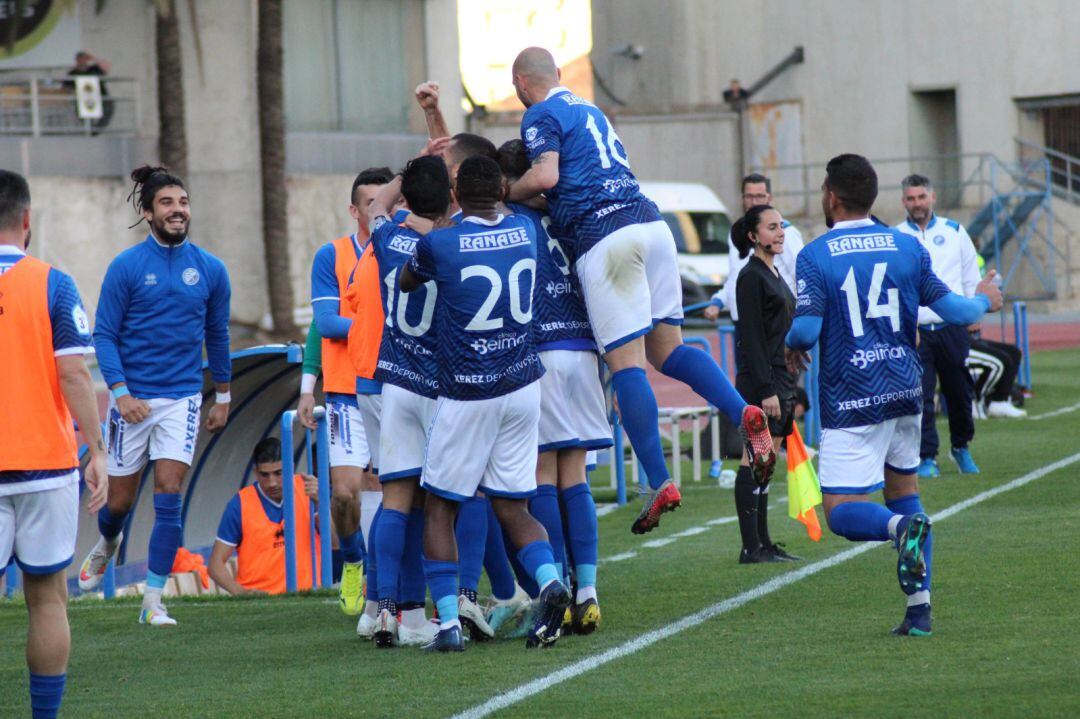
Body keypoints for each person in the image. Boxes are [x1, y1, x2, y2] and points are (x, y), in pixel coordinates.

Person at [507, 46, 773, 535]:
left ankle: (657, 481)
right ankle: (743, 412)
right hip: (652, 225)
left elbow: (545, 175)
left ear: (522, 83)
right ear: (559, 73)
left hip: (606, 236)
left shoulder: (540, 113)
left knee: (626, 365)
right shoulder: (592, 110)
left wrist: (506, 191)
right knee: (668, 350)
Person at [785, 154, 1002, 636]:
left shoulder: (816, 254)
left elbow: (805, 332)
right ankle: (919, 612)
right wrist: (986, 298)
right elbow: (957, 310)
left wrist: (790, 342)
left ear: (831, 197)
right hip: (906, 388)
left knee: (840, 511)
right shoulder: (906, 246)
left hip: (852, 395)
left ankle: (900, 531)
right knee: (904, 493)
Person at [400, 155, 571, 652]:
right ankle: (550, 583)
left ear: (456, 194)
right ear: (501, 189)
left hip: (468, 389)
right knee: (512, 505)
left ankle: (449, 625)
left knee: (440, 506)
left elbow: (409, 280)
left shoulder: (440, 242)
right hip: (521, 384)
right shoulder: (525, 230)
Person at [78, 165, 231, 627]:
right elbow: (104, 336)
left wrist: (224, 395)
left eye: (183, 202)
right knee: (119, 504)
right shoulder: (126, 267)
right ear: (147, 213)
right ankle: (109, 541)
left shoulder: (211, 269)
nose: (177, 210)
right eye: (167, 203)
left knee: (169, 489)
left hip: (182, 398)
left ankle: (153, 602)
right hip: (131, 401)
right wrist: (122, 395)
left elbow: (217, 334)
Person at [0, 170, 108, 719]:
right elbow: (73, 374)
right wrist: (99, 451)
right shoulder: (54, 284)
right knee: (46, 598)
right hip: (44, 465)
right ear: (27, 219)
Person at [499, 138, 608, 634]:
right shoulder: (568, 216)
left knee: (543, 475)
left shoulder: (509, 221)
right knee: (576, 477)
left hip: (540, 349)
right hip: (582, 347)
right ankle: (588, 592)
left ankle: (558, 591)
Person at [361, 152, 451, 648]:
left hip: (395, 384)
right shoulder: (451, 243)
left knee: (395, 501)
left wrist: (405, 173)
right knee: (440, 502)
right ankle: (447, 607)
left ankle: (387, 611)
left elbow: (377, 204)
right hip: (439, 387)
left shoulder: (388, 237)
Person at [306, 166, 392, 619]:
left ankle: (383, 584)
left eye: (385, 201)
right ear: (354, 210)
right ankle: (354, 561)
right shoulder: (332, 255)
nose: (378, 210)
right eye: (369, 203)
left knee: (386, 488)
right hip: (344, 390)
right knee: (343, 494)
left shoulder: (402, 248)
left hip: (393, 387)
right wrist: (380, 327)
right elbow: (324, 323)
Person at [894, 174, 982, 477]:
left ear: (932, 197)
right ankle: (926, 456)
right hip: (915, 332)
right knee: (921, 396)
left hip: (952, 326)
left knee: (959, 392)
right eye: (910, 198)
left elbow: (970, 274)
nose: (917, 203)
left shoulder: (954, 231)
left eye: (921, 197)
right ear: (903, 201)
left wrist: (972, 313)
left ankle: (961, 447)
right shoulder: (896, 236)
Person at [731, 206, 801, 564]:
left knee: (767, 461)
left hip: (781, 378)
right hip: (763, 382)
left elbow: (779, 329)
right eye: (771, 227)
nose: (780, 232)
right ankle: (750, 547)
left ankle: (764, 543)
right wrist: (766, 390)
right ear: (753, 236)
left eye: (781, 226)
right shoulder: (751, 276)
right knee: (754, 457)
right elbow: (753, 338)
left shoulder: (774, 272)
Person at [208, 438, 320, 595]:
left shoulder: (308, 490)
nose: (272, 482)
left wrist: (321, 502)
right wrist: (243, 594)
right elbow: (215, 565)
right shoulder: (240, 504)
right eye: (264, 475)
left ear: (291, 467)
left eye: (278, 473)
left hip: (306, 597)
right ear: (255, 472)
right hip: (260, 601)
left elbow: (335, 541)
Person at [704, 173, 805, 328]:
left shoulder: (785, 232)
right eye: (749, 196)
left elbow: (801, 275)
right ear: (742, 199)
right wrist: (718, 302)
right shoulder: (737, 233)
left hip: (776, 320)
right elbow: (735, 277)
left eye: (759, 196)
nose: (754, 202)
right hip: (743, 319)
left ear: (769, 198)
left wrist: (801, 318)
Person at [968, 335, 1026, 418]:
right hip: (956, 342)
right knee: (1000, 362)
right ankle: (976, 401)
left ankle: (999, 401)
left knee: (1014, 353)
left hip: (967, 338)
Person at [67, 50, 113, 129]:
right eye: (80, 59)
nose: (82, 61)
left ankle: (96, 130)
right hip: (83, 100)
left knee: (108, 109)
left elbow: (107, 67)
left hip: (101, 98)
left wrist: (93, 58)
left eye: (84, 59)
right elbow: (66, 87)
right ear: (77, 60)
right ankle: (91, 130)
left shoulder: (94, 69)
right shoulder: (73, 73)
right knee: (83, 115)